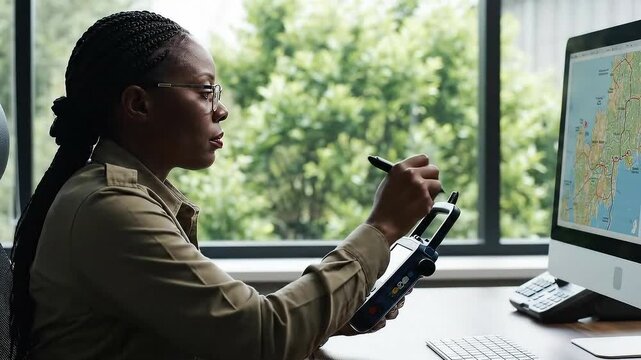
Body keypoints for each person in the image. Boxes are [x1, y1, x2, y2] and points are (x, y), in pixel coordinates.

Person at [9, 10, 442, 360]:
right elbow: (261, 338)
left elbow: (227, 327)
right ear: (138, 103)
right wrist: (382, 228)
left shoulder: (124, 197)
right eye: (204, 91)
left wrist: (331, 316)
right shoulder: (109, 208)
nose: (222, 110)